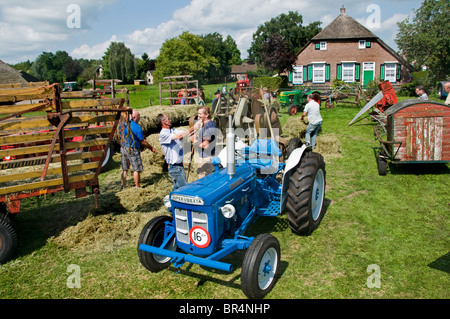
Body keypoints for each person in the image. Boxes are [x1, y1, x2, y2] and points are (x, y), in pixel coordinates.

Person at [119, 110, 157, 189]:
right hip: (133, 149)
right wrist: (151, 148)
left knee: (124, 169)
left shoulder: (122, 125)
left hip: (123, 148)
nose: (139, 119)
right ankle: (137, 186)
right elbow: (143, 141)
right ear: (134, 117)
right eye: (139, 117)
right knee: (136, 169)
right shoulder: (136, 127)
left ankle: (123, 185)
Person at [157, 113, 193, 191]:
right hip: (174, 166)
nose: (170, 120)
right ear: (164, 122)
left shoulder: (173, 130)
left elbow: (184, 134)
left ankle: (171, 200)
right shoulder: (163, 134)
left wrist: (196, 129)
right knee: (184, 189)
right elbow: (179, 136)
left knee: (177, 188)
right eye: (168, 119)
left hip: (179, 165)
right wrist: (193, 128)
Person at [191, 106, 217, 178]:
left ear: (207, 115)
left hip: (205, 158)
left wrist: (195, 141)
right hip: (207, 156)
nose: (198, 116)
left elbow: (206, 145)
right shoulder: (207, 124)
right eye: (198, 114)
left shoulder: (208, 126)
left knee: (203, 179)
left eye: (200, 114)